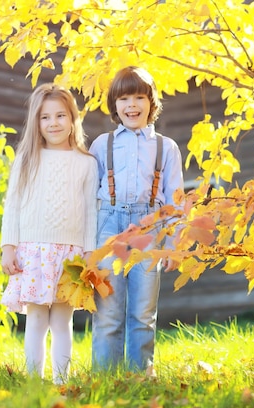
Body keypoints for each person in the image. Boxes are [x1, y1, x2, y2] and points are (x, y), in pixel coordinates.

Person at [0, 84, 98, 384]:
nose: (53, 123)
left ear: (73, 119)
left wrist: (90, 252)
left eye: (60, 115)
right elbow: (12, 204)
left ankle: (61, 380)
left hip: (70, 252)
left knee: (62, 320)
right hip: (32, 251)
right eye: (45, 117)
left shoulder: (87, 163)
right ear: (36, 122)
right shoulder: (27, 160)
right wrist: (8, 246)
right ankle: (34, 380)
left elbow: (91, 211)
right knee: (36, 320)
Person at [89, 66, 184, 374]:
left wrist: (174, 242)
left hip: (149, 229)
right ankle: (105, 377)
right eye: (124, 98)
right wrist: (86, 245)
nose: (132, 105)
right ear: (114, 105)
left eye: (139, 97)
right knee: (108, 311)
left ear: (151, 101)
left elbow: (175, 200)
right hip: (108, 226)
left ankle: (140, 376)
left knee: (143, 312)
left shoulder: (166, 147)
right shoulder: (101, 145)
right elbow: (88, 197)